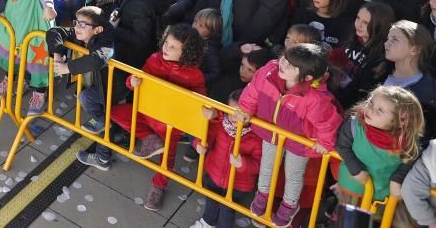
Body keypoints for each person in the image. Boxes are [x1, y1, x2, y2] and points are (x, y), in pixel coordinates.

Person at [240, 43, 343, 228]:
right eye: (285, 59)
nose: (283, 64)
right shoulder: (269, 72)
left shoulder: (314, 98)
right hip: (272, 131)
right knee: (267, 165)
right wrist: (245, 109)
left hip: (299, 141)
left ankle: (289, 205)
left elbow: (327, 122)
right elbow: (253, 90)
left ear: (308, 77)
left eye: (291, 65)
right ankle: (262, 194)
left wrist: (325, 142)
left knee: (294, 174)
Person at [106, 24, 208, 211]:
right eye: (166, 43)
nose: (165, 48)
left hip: (171, 124)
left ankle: (158, 187)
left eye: (172, 47)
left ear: (187, 52)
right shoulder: (155, 59)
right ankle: (150, 139)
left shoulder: (195, 76)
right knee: (114, 112)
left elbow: (198, 106)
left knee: (166, 161)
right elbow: (138, 77)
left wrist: (200, 134)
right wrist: (132, 81)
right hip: (146, 114)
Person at [334, 85, 424, 226]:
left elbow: (412, 157)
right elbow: (341, 146)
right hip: (354, 188)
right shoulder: (355, 124)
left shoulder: (405, 140)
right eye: (371, 103)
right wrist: (355, 169)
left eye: (380, 110)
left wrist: (398, 179)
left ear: (402, 120)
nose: (370, 109)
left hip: (384, 194)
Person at [189, 91, 263, 228]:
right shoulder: (221, 124)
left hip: (239, 184)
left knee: (227, 209)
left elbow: (259, 165)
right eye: (231, 111)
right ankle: (207, 221)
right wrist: (199, 144)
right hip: (214, 173)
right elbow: (206, 136)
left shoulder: (256, 138)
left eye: (241, 114)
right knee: (211, 198)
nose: (234, 117)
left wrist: (243, 163)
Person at [49, 5, 115, 137]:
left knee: (86, 98)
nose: (77, 27)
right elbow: (54, 32)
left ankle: (103, 121)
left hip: (111, 90)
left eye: (83, 24)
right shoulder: (82, 32)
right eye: (77, 22)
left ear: (97, 30)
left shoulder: (106, 42)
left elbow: (97, 59)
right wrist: (57, 57)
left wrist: (67, 67)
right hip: (98, 85)